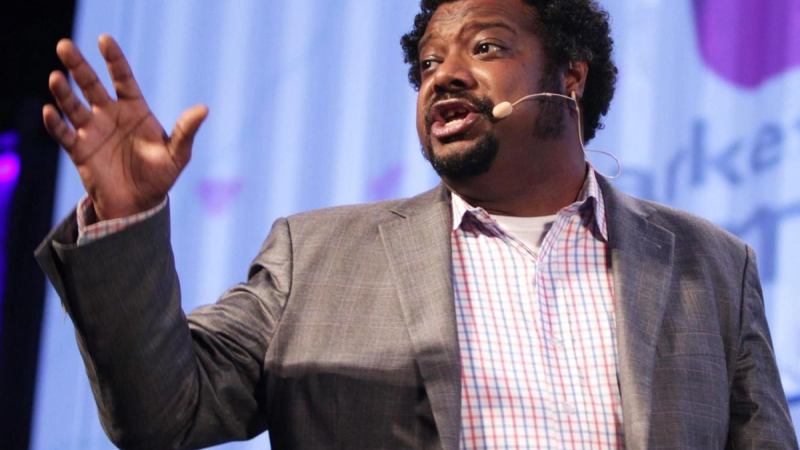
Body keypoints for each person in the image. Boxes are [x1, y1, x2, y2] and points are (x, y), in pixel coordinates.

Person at [36, 0, 798, 448]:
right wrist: (127, 218)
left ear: (570, 76)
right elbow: (163, 413)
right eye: (428, 63)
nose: (445, 75)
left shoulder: (709, 264)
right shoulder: (316, 256)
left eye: (486, 47)